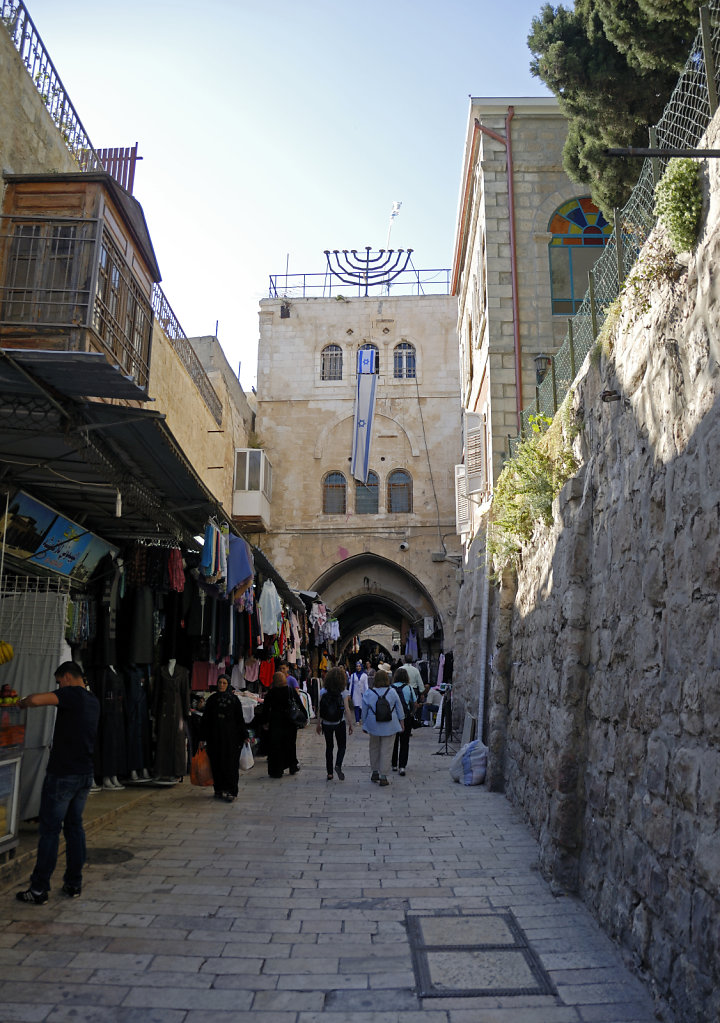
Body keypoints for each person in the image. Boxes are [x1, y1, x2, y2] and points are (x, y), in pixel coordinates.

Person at [15, 661, 100, 904]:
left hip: (63, 775)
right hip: (85, 774)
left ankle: (39, 889)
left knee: (50, 831)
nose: (58, 686)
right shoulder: (93, 700)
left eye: (58, 682)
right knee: (74, 828)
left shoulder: (72, 693)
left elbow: (37, 700)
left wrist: (21, 702)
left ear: (67, 678)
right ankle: (74, 884)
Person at [200, 674, 249, 802]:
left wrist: (245, 735)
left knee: (231, 765)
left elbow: (239, 719)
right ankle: (219, 789)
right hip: (214, 737)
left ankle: (231, 790)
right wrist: (202, 738)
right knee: (216, 764)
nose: (221, 685)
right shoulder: (212, 700)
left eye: (224, 683)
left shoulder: (234, 700)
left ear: (228, 685)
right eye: (220, 682)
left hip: (231, 738)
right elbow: (206, 720)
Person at [361, 668, 404, 787]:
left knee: (374, 747)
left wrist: (364, 723)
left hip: (373, 724)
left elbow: (364, 710)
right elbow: (399, 708)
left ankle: (375, 771)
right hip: (390, 724)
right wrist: (402, 722)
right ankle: (383, 776)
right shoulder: (392, 692)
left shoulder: (369, 693)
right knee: (387, 750)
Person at [260, 671, 306, 778]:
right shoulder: (290, 690)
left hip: (276, 723)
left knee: (276, 746)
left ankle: (277, 770)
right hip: (290, 722)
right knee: (290, 745)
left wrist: (264, 722)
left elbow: (266, 709)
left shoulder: (271, 693)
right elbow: (299, 703)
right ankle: (292, 765)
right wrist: (304, 716)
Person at [316, 665, 354, 781]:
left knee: (329, 747)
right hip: (339, 722)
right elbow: (347, 709)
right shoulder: (343, 692)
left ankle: (329, 773)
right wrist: (351, 724)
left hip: (327, 723)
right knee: (342, 746)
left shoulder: (323, 691)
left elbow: (319, 708)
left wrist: (318, 723)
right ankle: (338, 764)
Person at [390, 667, 416, 776]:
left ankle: (394, 764)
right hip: (406, 717)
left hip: (393, 717)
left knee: (393, 742)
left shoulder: (390, 688)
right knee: (405, 742)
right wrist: (412, 713)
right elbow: (414, 703)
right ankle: (402, 766)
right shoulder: (409, 688)